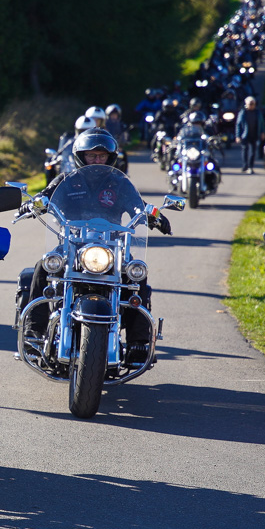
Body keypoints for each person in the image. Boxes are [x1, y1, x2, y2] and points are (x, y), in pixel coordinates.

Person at [23, 128, 172, 364]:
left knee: (136, 275)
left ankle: (138, 343)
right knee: (43, 266)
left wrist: (153, 215)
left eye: (102, 156)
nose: (97, 160)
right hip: (73, 244)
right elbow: (45, 196)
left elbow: (137, 206)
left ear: (110, 157)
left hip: (111, 247)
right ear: (80, 156)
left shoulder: (120, 184)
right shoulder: (66, 180)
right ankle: (33, 335)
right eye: (92, 156)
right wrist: (33, 204)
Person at [235, 95, 265, 173]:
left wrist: (262, 132)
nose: (251, 105)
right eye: (250, 104)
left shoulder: (258, 113)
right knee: (245, 150)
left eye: (253, 104)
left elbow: (261, 123)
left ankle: (251, 166)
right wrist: (238, 136)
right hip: (245, 135)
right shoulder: (243, 113)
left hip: (254, 134)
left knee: (253, 152)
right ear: (246, 104)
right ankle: (245, 166)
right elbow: (238, 125)